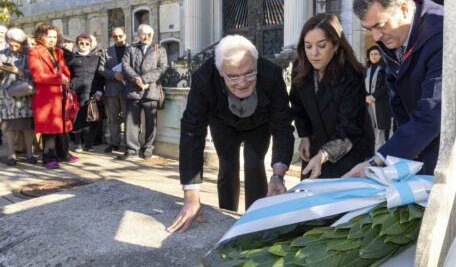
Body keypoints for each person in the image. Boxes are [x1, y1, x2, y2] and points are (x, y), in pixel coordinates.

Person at [345, 0, 456, 178]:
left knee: (442, 193)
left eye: (380, 25)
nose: (376, 37)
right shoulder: (392, 34)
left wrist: (379, 160)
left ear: (405, 9)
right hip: (423, 122)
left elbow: (435, 110)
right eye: (369, 29)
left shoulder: (447, 34)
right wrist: (401, 150)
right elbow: (397, 94)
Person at [167, 35, 294, 233]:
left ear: (257, 65)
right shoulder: (204, 78)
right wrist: (191, 194)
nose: (242, 83)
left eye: (249, 73)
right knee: (227, 167)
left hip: (259, 123)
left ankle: (255, 218)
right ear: (220, 72)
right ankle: (226, 215)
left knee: (254, 164)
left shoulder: (272, 74)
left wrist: (279, 175)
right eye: (233, 76)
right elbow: (192, 131)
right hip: (223, 123)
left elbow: (282, 126)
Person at [289, 14, 373, 179]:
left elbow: (349, 129)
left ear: (335, 46)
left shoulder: (352, 75)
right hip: (316, 146)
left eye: (321, 45)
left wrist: (324, 155)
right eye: (308, 46)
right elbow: (298, 107)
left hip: (350, 150)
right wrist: (304, 136)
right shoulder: (300, 68)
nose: (314, 53)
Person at [28, 23, 78, 169]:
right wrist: (58, 79)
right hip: (46, 96)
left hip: (61, 93)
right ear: (40, 36)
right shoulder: (34, 51)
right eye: (48, 37)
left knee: (63, 123)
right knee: (49, 127)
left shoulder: (58, 51)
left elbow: (64, 69)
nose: (52, 39)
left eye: (54, 37)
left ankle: (64, 154)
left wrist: (65, 78)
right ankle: (49, 157)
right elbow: (38, 76)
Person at [119, 24, 166, 160]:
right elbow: (125, 65)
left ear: (153, 35)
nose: (146, 37)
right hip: (133, 91)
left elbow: (162, 68)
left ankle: (148, 148)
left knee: (151, 123)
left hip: (151, 91)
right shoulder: (131, 49)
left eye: (149, 34)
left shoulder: (159, 50)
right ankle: (132, 149)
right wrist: (137, 80)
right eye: (143, 34)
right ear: (138, 35)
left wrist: (145, 80)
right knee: (131, 123)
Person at [0, 28, 36, 166]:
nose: (14, 48)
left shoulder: (30, 54)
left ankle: (30, 154)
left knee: (27, 127)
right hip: (6, 96)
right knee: (9, 127)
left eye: (17, 45)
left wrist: (18, 71)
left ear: (23, 42)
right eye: (11, 45)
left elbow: (35, 75)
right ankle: (11, 155)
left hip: (25, 96)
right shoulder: (2, 54)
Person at [68, 34, 103, 152]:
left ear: (90, 45)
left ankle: (89, 144)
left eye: (87, 44)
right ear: (77, 44)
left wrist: (99, 91)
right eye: (81, 43)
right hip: (75, 93)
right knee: (76, 119)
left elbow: (100, 77)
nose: (84, 46)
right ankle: (77, 143)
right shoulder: (71, 58)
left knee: (91, 118)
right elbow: (67, 75)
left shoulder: (96, 59)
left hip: (91, 93)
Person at [98, 27, 128, 153]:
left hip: (128, 90)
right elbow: (101, 69)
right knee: (113, 118)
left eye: (120, 35)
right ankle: (114, 143)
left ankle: (129, 144)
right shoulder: (107, 52)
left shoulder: (131, 50)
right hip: (112, 89)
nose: (118, 38)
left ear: (125, 35)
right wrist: (113, 75)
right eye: (115, 36)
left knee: (129, 119)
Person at [365, 45, 392, 149]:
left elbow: (387, 85)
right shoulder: (366, 69)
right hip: (368, 102)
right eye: (371, 54)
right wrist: (366, 96)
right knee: (371, 127)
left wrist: (374, 96)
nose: (373, 56)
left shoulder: (385, 68)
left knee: (383, 127)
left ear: (380, 56)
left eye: (376, 54)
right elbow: (362, 84)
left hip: (381, 102)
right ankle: (372, 150)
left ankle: (384, 150)